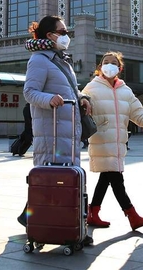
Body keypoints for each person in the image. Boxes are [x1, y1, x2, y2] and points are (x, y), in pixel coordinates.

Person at [21, 15, 93, 246]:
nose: (66, 35)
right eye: (62, 32)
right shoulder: (39, 60)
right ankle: (43, 225)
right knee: (48, 181)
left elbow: (70, 90)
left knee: (65, 180)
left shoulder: (61, 59)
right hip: (50, 132)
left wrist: (81, 97)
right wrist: (50, 99)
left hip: (67, 130)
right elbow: (30, 92)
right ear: (50, 35)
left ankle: (66, 226)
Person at [82, 51, 143, 230]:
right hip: (102, 140)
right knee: (115, 178)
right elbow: (82, 99)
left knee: (107, 177)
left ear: (119, 68)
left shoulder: (125, 90)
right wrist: (83, 100)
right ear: (100, 67)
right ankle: (131, 214)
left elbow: (137, 111)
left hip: (119, 142)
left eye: (113, 62)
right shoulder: (91, 87)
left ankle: (93, 212)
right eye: (105, 62)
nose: (109, 65)